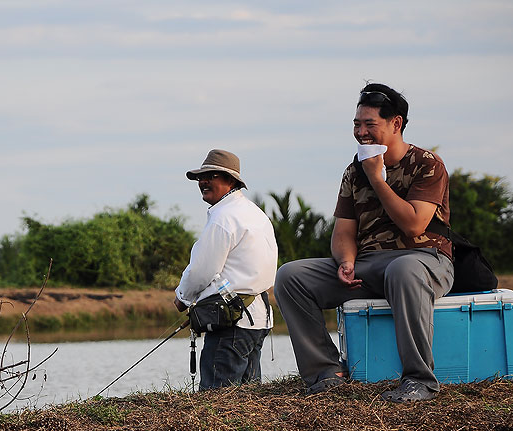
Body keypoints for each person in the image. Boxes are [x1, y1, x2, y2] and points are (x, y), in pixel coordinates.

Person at [274, 83, 454, 402]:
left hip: (424, 260)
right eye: (357, 125)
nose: (361, 132)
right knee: (291, 276)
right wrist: (345, 260)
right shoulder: (354, 171)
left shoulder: (427, 164)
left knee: (403, 269)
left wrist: (377, 179)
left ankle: (419, 380)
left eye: (370, 124)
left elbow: (414, 225)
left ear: (396, 123)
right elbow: (343, 231)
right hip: (370, 267)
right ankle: (326, 373)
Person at [174, 149, 278, 390]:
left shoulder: (224, 217)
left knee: (216, 399)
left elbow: (202, 270)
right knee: (247, 401)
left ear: (230, 180)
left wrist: (182, 298)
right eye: (201, 177)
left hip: (232, 324)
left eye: (212, 176)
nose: (203, 182)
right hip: (257, 321)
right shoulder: (255, 214)